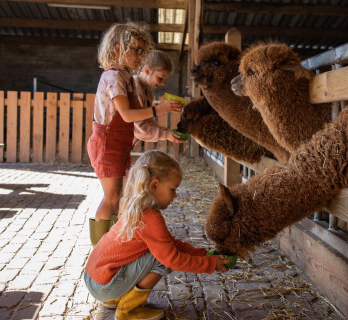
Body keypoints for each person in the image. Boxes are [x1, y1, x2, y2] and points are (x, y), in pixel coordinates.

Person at [84, 150, 232, 320]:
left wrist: (203, 254)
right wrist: (210, 264)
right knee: (161, 259)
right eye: (173, 189)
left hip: (95, 278)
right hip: (104, 284)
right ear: (154, 186)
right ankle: (127, 311)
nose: (175, 196)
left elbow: (169, 242)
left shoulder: (135, 207)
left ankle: (115, 299)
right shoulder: (151, 218)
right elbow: (172, 258)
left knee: (159, 251)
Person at [87, 22, 184, 247]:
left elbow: (135, 121)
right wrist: (159, 109)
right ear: (118, 48)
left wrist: (164, 130)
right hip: (107, 142)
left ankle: (113, 245)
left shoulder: (126, 78)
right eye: (136, 50)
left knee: (120, 196)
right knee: (111, 197)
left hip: (119, 143)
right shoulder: (112, 77)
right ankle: (100, 252)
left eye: (143, 50)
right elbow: (128, 115)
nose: (140, 56)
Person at [133, 50, 184, 144]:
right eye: (160, 78)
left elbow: (148, 121)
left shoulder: (147, 92)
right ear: (147, 71)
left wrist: (168, 133)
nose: (163, 83)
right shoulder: (135, 90)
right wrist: (165, 134)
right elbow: (139, 130)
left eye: (164, 79)